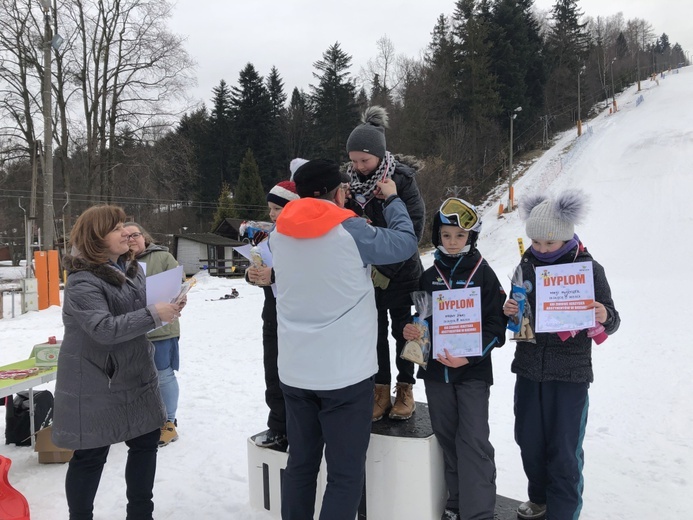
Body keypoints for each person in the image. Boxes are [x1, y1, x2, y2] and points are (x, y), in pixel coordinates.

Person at [270, 159, 418, 520]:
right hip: (344, 374)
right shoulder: (351, 231)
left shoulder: (279, 233)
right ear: (338, 191)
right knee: (344, 473)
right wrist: (393, 199)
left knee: (301, 466)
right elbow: (405, 243)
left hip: (294, 370)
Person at [52, 205, 184, 520]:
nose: (126, 232)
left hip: (135, 375)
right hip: (96, 382)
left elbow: (135, 315)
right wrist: (155, 313)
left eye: (124, 225)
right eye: (117, 228)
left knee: (145, 443)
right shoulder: (82, 281)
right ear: (97, 239)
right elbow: (104, 329)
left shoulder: (131, 270)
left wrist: (166, 305)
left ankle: (141, 514)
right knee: (90, 455)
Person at [502, 190, 620, 520]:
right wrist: (510, 310)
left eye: (548, 244)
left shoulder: (589, 269)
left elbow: (613, 318)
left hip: (570, 375)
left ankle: (563, 512)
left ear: (565, 237)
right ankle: (539, 498)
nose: (541, 249)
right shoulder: (525, 265)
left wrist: (602, 314)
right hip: (528, 369)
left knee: (564, 449)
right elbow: (517, 316)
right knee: (528, 440)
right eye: (536, 242)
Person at [403, 198, 507, 520]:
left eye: (459, 236)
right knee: (448, 439)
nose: (452, 242)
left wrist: (471, 356)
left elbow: (497, 324)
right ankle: (456, 504)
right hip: (437, 375)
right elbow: (424, 321)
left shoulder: (484, 274)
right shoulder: (429, 275)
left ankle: (478, 513)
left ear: (471, 238)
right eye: (446, 235)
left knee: (473, 441)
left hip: (472, 373)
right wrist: (413, 331)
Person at [345, 105, 426, 421]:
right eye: (353, 161)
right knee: (374, 332)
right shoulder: (348, 184)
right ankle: (380, 389)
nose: (359, 167)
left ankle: (405, 388)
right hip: (367, 276)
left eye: (364, 160)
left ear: (379, 155)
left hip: (403, 273)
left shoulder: (401, 181)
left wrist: (386, 269)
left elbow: (414, 228)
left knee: (404, 330)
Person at [245, 180, 300, 450]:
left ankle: (301, 431)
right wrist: (252, 274)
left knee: (298, 377)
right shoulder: (269, 237)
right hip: (273, 315)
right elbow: (262, 267)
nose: (271, 215)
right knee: (274, 374)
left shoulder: (306, 237)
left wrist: (274, 275)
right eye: (270, 209)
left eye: (277, 208)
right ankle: (278, 426)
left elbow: (310, 273)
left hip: (299, 317)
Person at [124, 222, 183, 447]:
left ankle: (168, 422)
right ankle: (142, 419)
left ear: (144, 236)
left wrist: (180, 299)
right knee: (135, 377)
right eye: (126, 236)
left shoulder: (163, 258)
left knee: (163, 374)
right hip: (130, 329)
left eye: (135, 235)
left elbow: (178, 287)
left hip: (160, 328)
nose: (131, 240)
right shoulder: (119, 262)